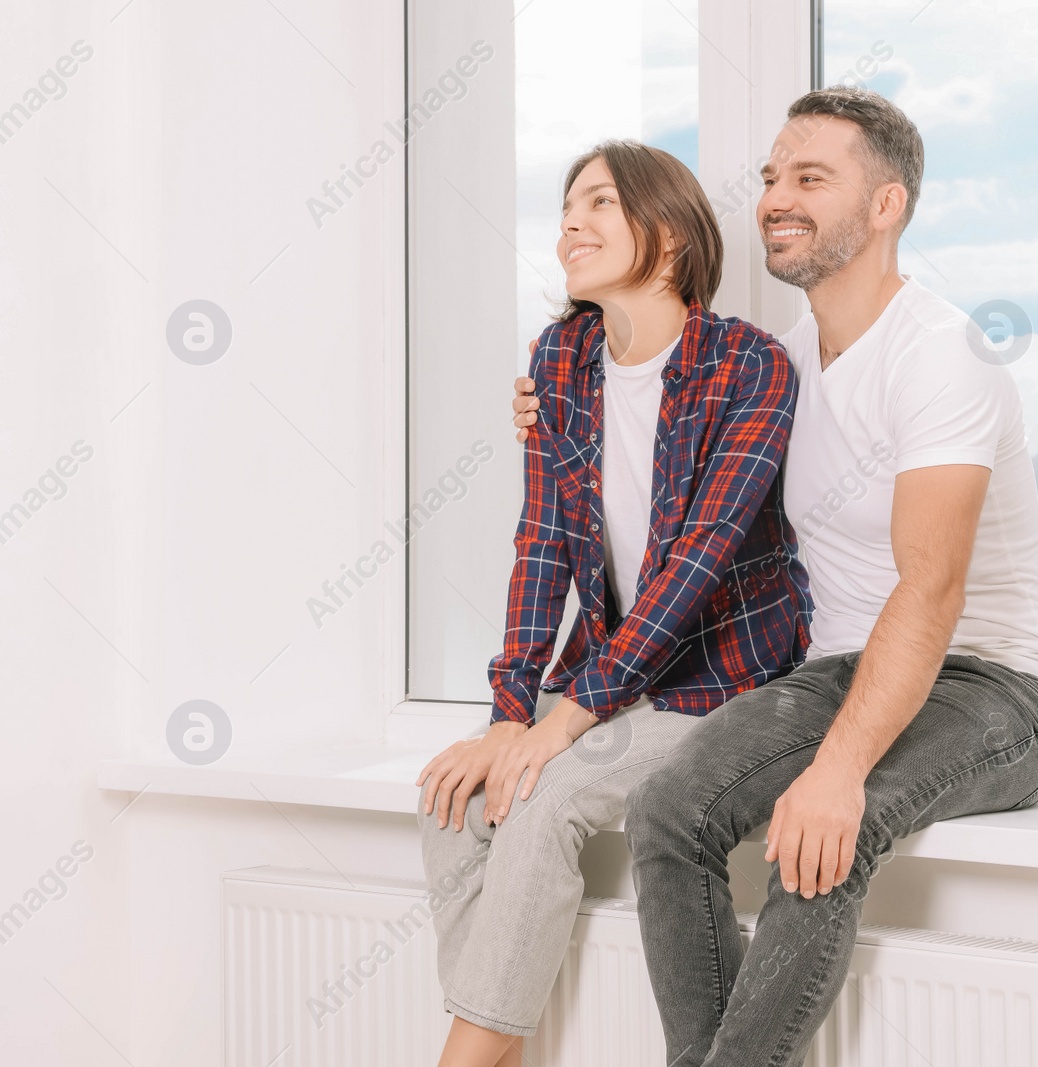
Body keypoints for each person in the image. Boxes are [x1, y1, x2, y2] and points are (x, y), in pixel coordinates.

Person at [513, 86, 1038, 1067]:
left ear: (886, 204)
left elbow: (929, 588)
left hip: (992, 685)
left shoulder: (939, 355)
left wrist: (840, 768)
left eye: (811, 177)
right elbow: (663, 414)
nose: (775, 197)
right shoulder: (783, 362)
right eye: (771, 177)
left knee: (821, 840)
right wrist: (557, 401)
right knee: (668, 813)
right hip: (839, 673)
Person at [416, 139, 809, 1067]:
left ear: (668, 236)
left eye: (597, 203)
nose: (569, 225)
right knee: (453, 798)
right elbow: (544, 539)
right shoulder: (562, 358)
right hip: (615, 683)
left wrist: (557, 728)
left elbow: (696, 571)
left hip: (724, 683)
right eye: (565, 209)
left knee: (547, 796)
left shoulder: (748, 367)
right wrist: (510, 710)